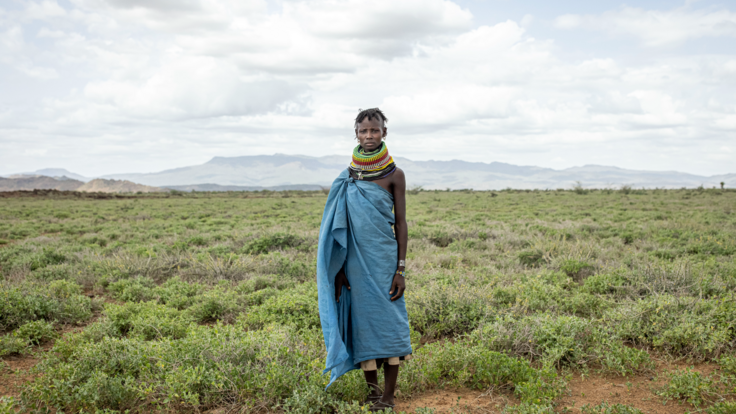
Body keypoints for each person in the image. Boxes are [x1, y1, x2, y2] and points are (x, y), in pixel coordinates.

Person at [316, 108, 411, 412]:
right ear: (355, 133)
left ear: (385, 132)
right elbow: (340, 229)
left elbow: (401, 223)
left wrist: (400, 269)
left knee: (391, 323)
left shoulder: (394, 175)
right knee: (363, 323)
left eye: (375, 130)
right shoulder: (347, 178)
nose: (369, 136)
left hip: (385, 262)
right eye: (363, 131)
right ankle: (372, 394)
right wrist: (340, 270)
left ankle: (389, 395)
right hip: (355, 264)